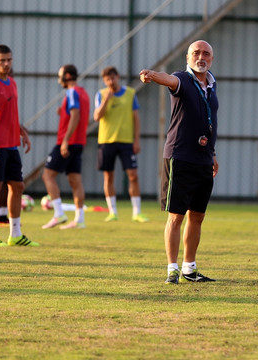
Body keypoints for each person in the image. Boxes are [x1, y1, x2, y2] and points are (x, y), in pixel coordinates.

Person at [139, 40, 219, 284]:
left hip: (204, 159)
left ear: (211, 59)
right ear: (187, 57)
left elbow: (209, 120)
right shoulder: (182, 79)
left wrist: (213, 154)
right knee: (176, 216)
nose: (201, 57)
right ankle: (172, 268)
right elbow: (169, 79)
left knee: (198, 216)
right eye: (196, 52)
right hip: (180, 157)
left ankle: (189, 268)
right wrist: (153, 75)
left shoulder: (212, 84)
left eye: (206, 53)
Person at [0, 44, 37, 247]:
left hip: (11, 144)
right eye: (2, 60)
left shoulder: (12, 82)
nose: (6, 63)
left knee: (17, 186)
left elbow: (8, 114)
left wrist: (22, 132)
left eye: (9, 60)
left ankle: (15, 234)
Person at [93, 66, 148, 223]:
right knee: (108, 176)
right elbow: (96, 116)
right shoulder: (101, 95)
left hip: (126, 141)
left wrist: (136, 140)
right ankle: (112, 212)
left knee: (133, 175)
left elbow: (136, 119)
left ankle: (137, 212)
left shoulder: (130, 94)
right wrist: (106, 100)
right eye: (107, 79)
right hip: (106, 141)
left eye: (113, 78)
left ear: (118, 77)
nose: (111, 81)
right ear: (104, 81)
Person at [41, 64, 90, 230]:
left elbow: (75, 115)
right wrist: (62, 112)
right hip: (79, 142)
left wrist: (65, 141)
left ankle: (58, 213)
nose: (58, 79)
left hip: (68, 142)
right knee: (75, 180)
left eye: (60, 75)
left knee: (47, 175)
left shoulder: (72, 92)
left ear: (67, 76)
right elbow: (76, 113)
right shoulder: (83, 93)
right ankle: (79, 219)